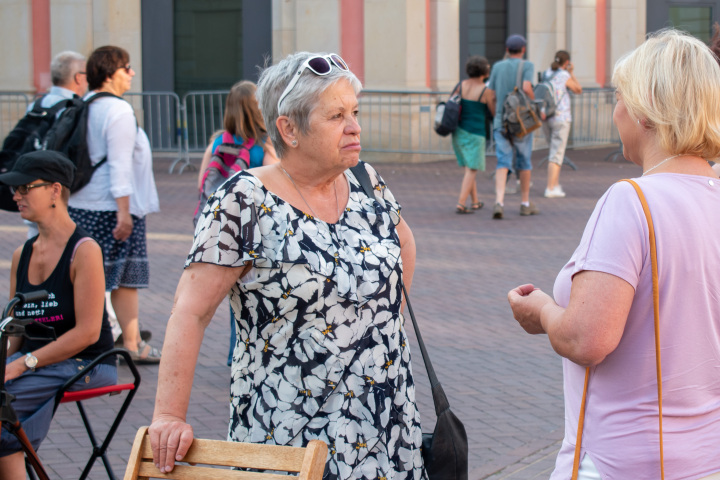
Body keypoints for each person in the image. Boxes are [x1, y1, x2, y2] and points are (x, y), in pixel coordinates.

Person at [149, 51, 423, 479]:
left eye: (354, 112)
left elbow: (403, 243)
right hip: (291, 432)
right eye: (336, 116)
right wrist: (168, 414)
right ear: (289, 128)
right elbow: (191, 310)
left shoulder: (366, 182)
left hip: (386, 421)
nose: (355, 126)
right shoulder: (243, 201)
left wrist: (378, 323)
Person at [508, 29, 720, 479]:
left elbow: (587, 339)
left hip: (625, 460)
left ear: (646, 111)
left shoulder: (631, 201)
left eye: (621, 98)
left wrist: (543, 310)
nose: (616, 110)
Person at [0, 151, 117, 479]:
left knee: (4, 408)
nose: (16, 195)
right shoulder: (21, 254)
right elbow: (14, 334)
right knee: (4, 412)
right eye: (14, 189)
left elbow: (88, 334)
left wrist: (23, 363)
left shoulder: (84, 250)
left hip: (87, 363)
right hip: (36, 360)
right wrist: (8, 359)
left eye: (25, 188)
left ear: (54, 190)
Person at [67, 45, 162, 364]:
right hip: (111, 207)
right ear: (110, 73)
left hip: (83, 202)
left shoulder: (87, 104)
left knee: (89, 277)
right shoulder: (118, 111)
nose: (131, 74)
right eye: (126, 68)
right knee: (121, 279)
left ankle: (102, 340)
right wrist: (124, 212)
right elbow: (119, 166)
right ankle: (128, 343)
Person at [194, 80, 278, 366]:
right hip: (256, 229)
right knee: (262, 292)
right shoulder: (265, 143)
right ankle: (259, 351)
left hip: (225, 229)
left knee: (236, 294)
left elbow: (203, 184)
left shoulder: (219, 142)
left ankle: (235, 353)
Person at [487, 34, 539, 219]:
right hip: (521, 122)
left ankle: (499, 201)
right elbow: (526, 87)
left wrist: (496, 115)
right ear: (523, 50)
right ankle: (525, 203)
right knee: (524, 162)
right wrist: (533, 102)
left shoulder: (497, 67)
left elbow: (490, 95)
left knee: (503, 161)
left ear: (507, 50)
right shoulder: (527, 66)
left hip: (501, 121)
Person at [452, 56, 494, 214]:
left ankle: (475, 201)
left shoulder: (461, 85)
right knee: (472, 169)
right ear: (484, 71)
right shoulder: (486, 90)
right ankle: (461, 203)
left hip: (459, 131)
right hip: (476, 133)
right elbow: (493, 112)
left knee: (469, 167)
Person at [541, 51, 582, 198]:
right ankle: (550, 188)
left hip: (546, 116)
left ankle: (555, 184)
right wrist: (571, 73)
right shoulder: (564, 76)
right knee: (556, 154)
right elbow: (578, 89)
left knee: (553, 151)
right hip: (561, 117)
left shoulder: (546, 74)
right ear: (567, 63)